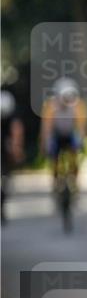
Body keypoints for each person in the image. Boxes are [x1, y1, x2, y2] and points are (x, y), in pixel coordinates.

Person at [39, 78, 87, 186]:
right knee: (54, 155)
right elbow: (46, 127)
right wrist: (44, 143)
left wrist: (82, 141)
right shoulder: (50, 106)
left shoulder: (78, 105)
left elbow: (81, 126)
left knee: (75, 154)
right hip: (56, 134)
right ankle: (55, 179)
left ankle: (74, 179)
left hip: (71, 133)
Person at [1, 89, 25, 225]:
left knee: (6, 177)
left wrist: (17, 151)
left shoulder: (13, 118)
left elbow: (17, 134)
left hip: (7, 147)